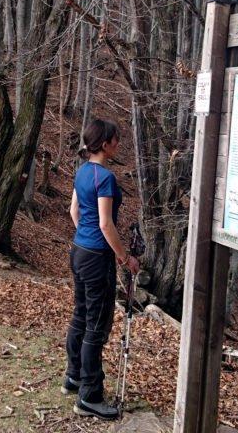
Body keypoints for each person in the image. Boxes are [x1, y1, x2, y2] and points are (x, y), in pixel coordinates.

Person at [64, 119, 140, 420]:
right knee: (97, 324)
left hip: (79, 251)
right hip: (97, 258)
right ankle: (90, 396)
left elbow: (74, 211)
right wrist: (125, 259)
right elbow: (106, 223)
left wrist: (85, 236)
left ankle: (74, 377)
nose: (118, 143)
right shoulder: (104, 178)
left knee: (81, 315)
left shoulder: (82, 171)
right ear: (105, 143)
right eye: (115, 139)